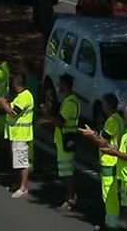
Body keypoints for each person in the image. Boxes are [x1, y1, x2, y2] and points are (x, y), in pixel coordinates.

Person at [80, 103, 127, 231]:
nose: (123, 118)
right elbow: (120, 149)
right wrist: (106, 145)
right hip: (125, 176)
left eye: (125, 116)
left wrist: (112, 152)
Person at [79, 93, 124, 230]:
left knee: (109, 195)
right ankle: (111, 221)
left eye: (103, 104)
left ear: (107, 105)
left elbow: (102, 142)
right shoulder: (119, 120)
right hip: (115, 161)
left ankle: (111, 224)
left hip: (109, 161)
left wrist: (91, 136)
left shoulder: (111, 121)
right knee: (113, 194)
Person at [39, 74, 80, 209]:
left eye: (60, 84)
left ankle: (70, 198)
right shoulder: (70, 100)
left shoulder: (70, 103)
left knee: (67, 172)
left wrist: (46, 114)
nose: (58, 87)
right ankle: (70, 196)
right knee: (65, 171)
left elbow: (60, 122)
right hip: (65, 140)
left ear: (65, 85)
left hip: (66, 140)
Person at [0, 73, 34, 198]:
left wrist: (2, 104)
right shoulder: (20, 96)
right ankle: (18, 184)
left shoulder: (25, 97)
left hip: (22, 135)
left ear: (16, 84)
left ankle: (23, 188)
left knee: (22, 162)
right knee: (17, 161)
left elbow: (13, 112)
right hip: (16, 134)